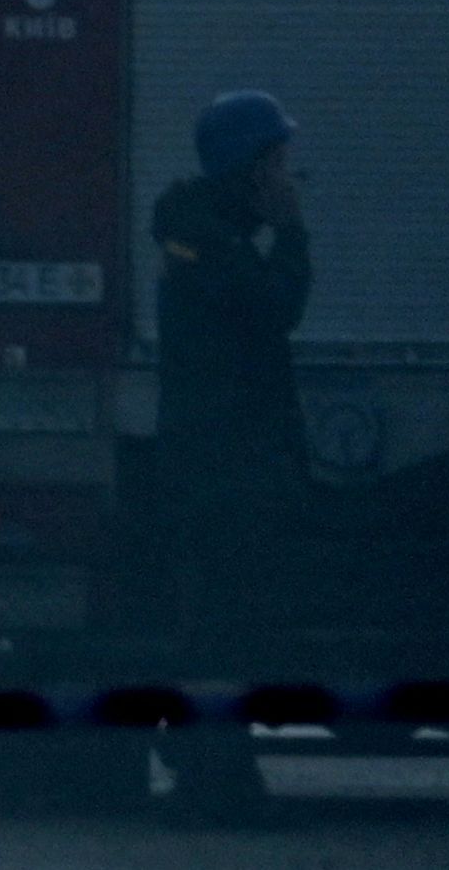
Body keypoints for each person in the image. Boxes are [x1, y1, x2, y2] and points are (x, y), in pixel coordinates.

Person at [150, 90, 311, 816]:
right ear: (245, 166)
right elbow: (276, 310)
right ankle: (211, 772)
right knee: (219, 621)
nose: (288, 176)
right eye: (277, 162)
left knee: (227, 620)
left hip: (225, 460)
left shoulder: (209, 235)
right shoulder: (207, 244)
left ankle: (216, 767)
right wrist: (294, 233)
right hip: (220, 465)